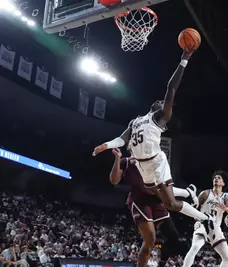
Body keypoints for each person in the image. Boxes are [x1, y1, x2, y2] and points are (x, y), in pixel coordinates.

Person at [92, 50, 214, 227]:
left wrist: (184, 60)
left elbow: (171, 88)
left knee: (170, 204)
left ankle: (204, 218)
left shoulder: (160, 117)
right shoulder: (135, 121)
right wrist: (106, 145)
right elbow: (122, 139)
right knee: (159, 195)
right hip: (142, 166)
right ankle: (188, 192)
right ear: (152, 104)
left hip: (157, 162)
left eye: (164, 103)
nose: (163, 103)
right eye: (161, 102)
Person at [109, 148, 194, 267]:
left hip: (157, 201)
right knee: (150, 241)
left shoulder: (155, 159)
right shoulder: (127, 162)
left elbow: (165, 185)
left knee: (175, 238)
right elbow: (114, 180)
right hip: (139, 201)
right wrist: (117, 158)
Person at [175, 172, 228, 267]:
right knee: (195, 247)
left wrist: (226, 209)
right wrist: (197, 219)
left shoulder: (226, 197)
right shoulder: (205, 193)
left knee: (227, 258)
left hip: (216, 227)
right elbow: (195, 207)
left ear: (223, 183)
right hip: (202, 222)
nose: (216, 179)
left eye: (219, 178)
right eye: (215, 178)